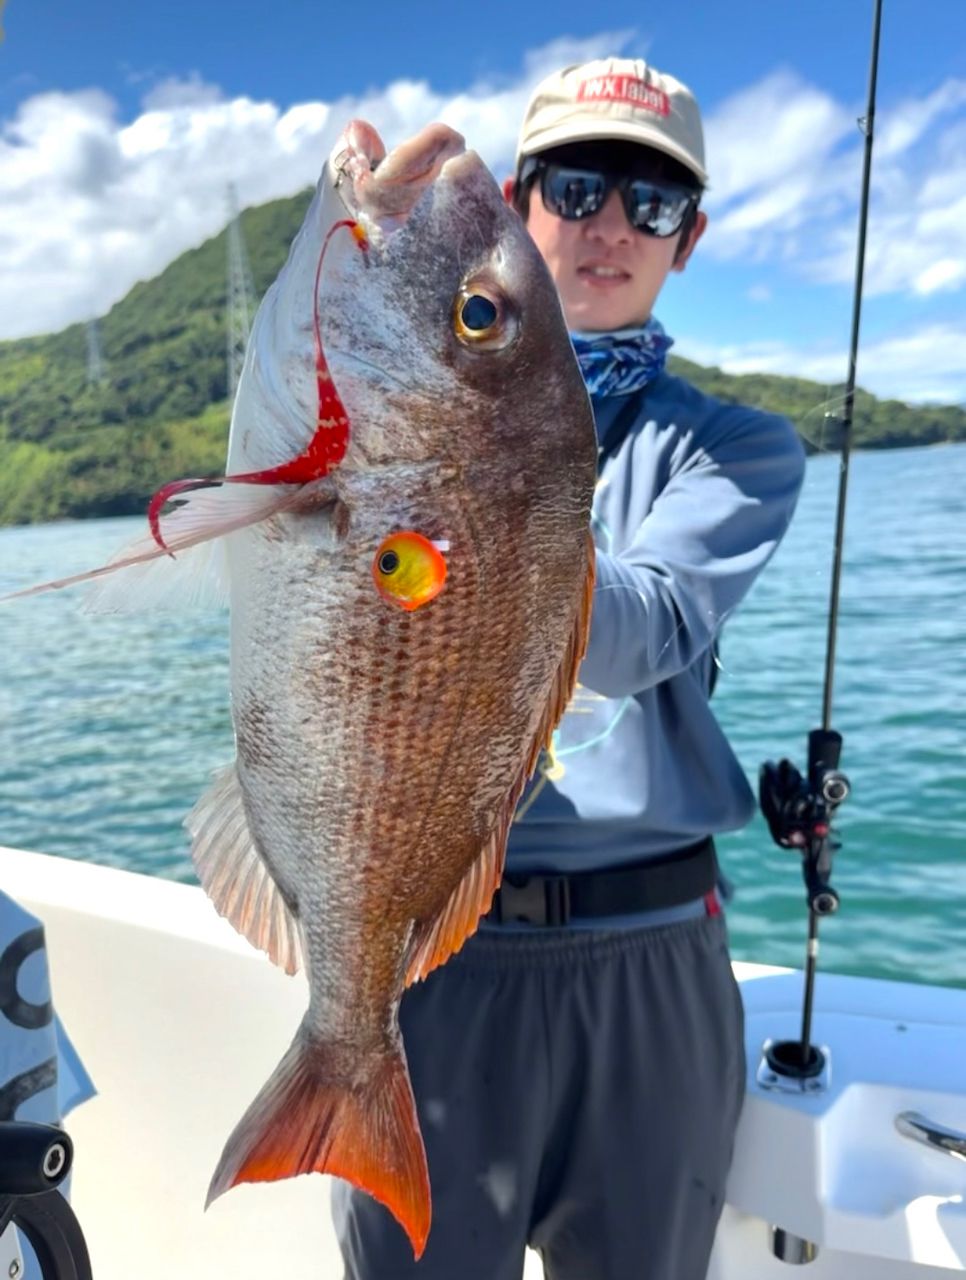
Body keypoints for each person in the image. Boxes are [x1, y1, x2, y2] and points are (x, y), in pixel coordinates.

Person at [334, 56, 806, 1279]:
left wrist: (457, 477)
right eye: (582, 186)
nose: (609, 226)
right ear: (518, 198)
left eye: (650, 204)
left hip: (652, 955)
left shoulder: (739, 449)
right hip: (436, 948)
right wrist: (366, 268)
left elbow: (645, 623)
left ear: (688, 240)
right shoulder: (401, 409)